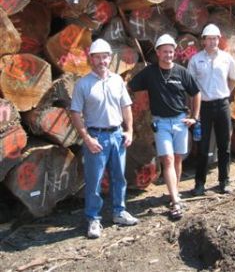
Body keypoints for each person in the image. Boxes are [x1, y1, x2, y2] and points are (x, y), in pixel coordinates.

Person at [70, 38, 138, 239]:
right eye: (97, 57)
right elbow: (75, 113)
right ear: (91, 59)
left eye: (105, 57)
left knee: (119, 177)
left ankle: (119, 211)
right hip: (96, 137)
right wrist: (87, 138)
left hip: (117, 135)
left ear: (110, 58)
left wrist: (130, 131)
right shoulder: (83, 84)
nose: (102, 61)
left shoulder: (117, 80)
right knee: (95, 180)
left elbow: (126, 107)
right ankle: (93, 218)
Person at [128, 34, 201, 220]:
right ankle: (176, 200)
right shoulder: (150, 72)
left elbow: (196, 93)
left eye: (171, 51)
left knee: (177, 160)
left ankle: (173, 193)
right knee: (167, 159)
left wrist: (195, 116)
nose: (168, 55)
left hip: (180, 122)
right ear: (158, 53)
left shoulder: (181, 72)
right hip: (161, 123)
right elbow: (131, 85)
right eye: (165, 52)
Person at [188, 24, 235, 196]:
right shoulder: (195, 60)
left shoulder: (226, 58)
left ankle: (224, 181)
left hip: (222, 105)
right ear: (203, 41)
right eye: (208, 38)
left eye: (215, 38)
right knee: (203, 146)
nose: (212, 42)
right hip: (203, 107)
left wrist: (225, 93)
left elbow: (233, 78)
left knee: (224, 145)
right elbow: (190, 85)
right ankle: (199, 184)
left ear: (219, 39)